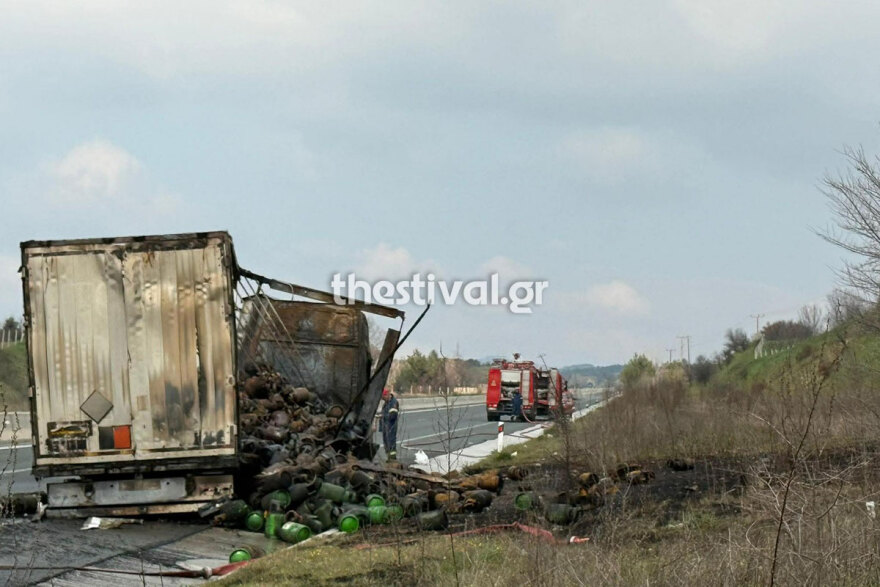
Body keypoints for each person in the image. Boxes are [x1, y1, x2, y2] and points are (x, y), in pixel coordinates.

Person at [380, 388, 400, 461]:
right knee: (386, 442)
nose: (383, 399)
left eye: (383, 397)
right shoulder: (386, 403)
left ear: (388, 395)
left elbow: (393, 416)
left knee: (391, 441)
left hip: (391, 426)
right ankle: (388, 457)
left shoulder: (393, 403)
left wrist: (383, 416)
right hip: (385, 426)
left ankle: (392, 458)